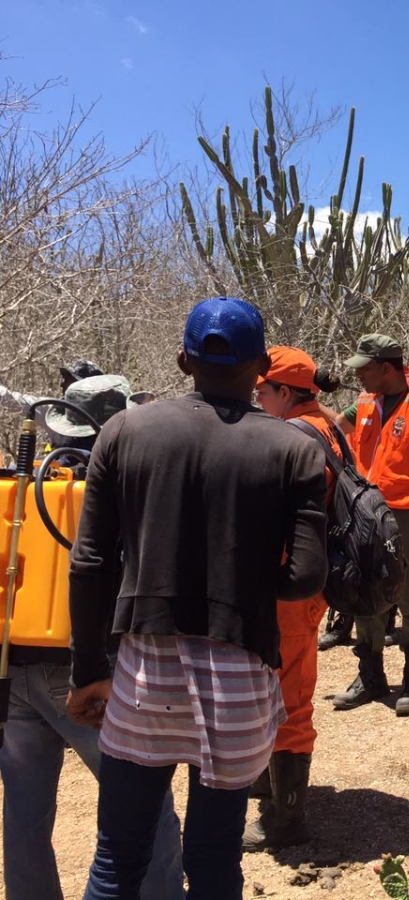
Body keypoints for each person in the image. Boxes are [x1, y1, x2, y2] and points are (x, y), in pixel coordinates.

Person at [66, 296, 328, 899]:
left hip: (142, 680)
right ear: (261, 366)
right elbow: (306, 579)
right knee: (213, 861)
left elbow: (91, 564)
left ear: (185, 360)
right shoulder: (294, 450)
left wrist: (89, 672)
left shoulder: (124, 431)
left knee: (116, 861)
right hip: (238, 679)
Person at [0, 375, 184, 900]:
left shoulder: (22, 483)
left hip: (11, 669)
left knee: (24, 814)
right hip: (89, 672)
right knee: (143, 804)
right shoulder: (116, 487)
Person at [243, 346, 346, 851]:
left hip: (292, 589)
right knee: (275, 686)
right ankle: (267, 782)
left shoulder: (296, 439)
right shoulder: (326, 427)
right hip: (301, 585)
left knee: (289, 697)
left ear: (284, 392)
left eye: (261, 390)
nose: (255, 398)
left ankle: (286, 820)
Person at [331, 334, 409, 716]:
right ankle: (370, 674)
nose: (359, 376)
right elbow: (336, 428)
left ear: (386, 367)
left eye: (365, 369)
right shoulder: (364, 401)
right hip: (365, 511)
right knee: (365, 586)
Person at [0, 357, 106, 448]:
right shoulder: (54, 411)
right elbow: (16, 401)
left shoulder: (108, 418)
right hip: (58, 470)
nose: (62, 384)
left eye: (68, 379)